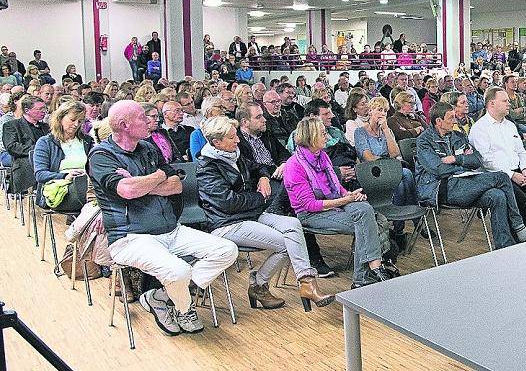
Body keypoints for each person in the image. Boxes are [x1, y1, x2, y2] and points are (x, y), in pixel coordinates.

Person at [88, 100, 238, 336]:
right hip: (130, 237)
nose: (149, 121)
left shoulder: (148, 148)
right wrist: (157, 180)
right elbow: (126, 191)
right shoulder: (101, 155)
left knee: (227, 250)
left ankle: (160, 297)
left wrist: (147, 180)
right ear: (124, 125)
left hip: (170, 229)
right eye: (142, 117)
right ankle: (184, 307)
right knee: (178, 271)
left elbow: (176, 185)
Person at [196, 117, 334, 310]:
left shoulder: (234, 156)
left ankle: (307, 282)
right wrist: (261, 199)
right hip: (227, 223)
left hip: (251, 215)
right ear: (216, 142)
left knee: (294, 225)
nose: (237, 141)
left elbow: (260, 166)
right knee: (287, 243)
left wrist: (263, 178)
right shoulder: (206, 167)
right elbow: (228, 203)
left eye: (236, 135)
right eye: (231, 137)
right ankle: (259, 284)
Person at [284, 117, 398, 288]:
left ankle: (366, 275)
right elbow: (310, 205)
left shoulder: (322, 156)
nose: (326, 135)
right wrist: (345, 200)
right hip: (310, 214)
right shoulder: (294, 165)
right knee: (366, 222)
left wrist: (350, 194)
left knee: (365, 209)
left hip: (334, 202)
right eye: (322, 133)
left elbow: (336, 188)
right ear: (311, 137)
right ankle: (368, 272)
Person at [416, 102, 526, 249]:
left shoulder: (458, 136)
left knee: (497, 196)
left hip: (465, 181)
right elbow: (439, 170)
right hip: (441, 188)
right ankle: (518, 224)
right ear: (439, 121)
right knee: (501, 177)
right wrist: (463, 164)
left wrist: (456, 159)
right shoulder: (424, 141)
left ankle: (503, 246)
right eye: (451, 118)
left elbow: (476, 160)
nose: (455, 121)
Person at [469, 87, 526, 231]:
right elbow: (486, 161)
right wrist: (512, 175)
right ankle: (516, 230)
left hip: (518, 170)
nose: (509, 103)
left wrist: (525, 168)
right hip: (496, 175)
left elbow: (521, 151)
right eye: (504, 101)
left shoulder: (510, 125)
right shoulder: (480, 129)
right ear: (491, 104)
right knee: (520, 198)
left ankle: (520, 229)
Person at [32, 102, 94, 208]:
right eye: (72, 120)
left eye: (79, 121)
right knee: (90, 195)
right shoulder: (45, 142)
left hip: (86, 184)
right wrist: (65, 176)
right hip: (59, 188)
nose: (76, 125)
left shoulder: (87, 141)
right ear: (60, 118)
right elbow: (40, 174)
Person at [2, 95, 50, 196]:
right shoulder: (12, 125)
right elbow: (12, 147)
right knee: (28, 162)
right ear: (27, 110)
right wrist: (39, 150)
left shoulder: (46, 127)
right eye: (40, 109)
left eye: (44, 108)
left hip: (47, 160)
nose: (44, 111)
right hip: (25, 162)